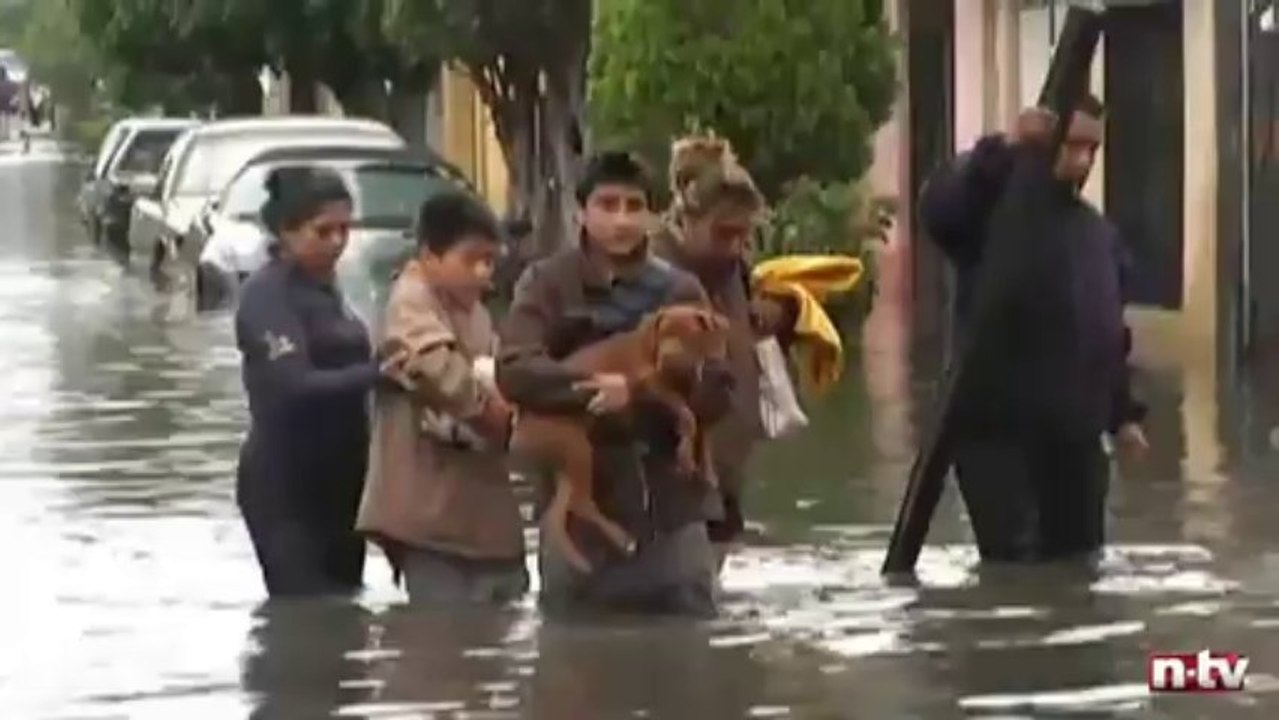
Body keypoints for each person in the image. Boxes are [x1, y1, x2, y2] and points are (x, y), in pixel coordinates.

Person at [497, 150, 735, 617]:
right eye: (607, 205)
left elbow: (720, 391)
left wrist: (640, 394)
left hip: (672, 512)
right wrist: (591, 385)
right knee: (573, 665)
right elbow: (515, 371)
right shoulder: (546, 284)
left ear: (652, 215)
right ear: (580, 211)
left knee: (687, 663)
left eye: (633, 206)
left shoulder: (680, 291)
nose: (621, 220)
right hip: (581, 516)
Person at [918, 97, 1149, 563]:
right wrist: (1005, 152)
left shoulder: (1097, 235)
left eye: (1093, 150)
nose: (1083, 161)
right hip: (997, 437)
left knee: (1080, 565)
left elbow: (1107, 334)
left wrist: (1122, 415)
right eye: (1073, 146)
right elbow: (939, 207)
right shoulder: (992, 213)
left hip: (1075, 441)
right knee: (1015, 568)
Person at [358, 191, 527, 604]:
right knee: (437, 646)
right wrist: (499, 414)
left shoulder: (475, 311)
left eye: (491, 261)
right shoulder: (410, 299)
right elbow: (437, 370)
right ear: (429, 255)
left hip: (478, 507)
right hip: (431, 510)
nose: (484, 273)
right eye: (472, 260)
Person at [235, 166, 392, 597]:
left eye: (345, 229)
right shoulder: (267, 295)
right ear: (286, 231)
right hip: (285, 486)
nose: (338, 243)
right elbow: (292, 387)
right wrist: (378, 375)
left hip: (343, 482)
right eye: (323, 232)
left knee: (345, 617)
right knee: (303, 618)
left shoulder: (332, 290)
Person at [650, 135, 797, 573]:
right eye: (723, 234)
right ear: (686, 219)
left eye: (743, 235)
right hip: (677, 470)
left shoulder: (735, 270)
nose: (734, 247)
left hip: (729, 461)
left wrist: (780, 314)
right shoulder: (654, 271)